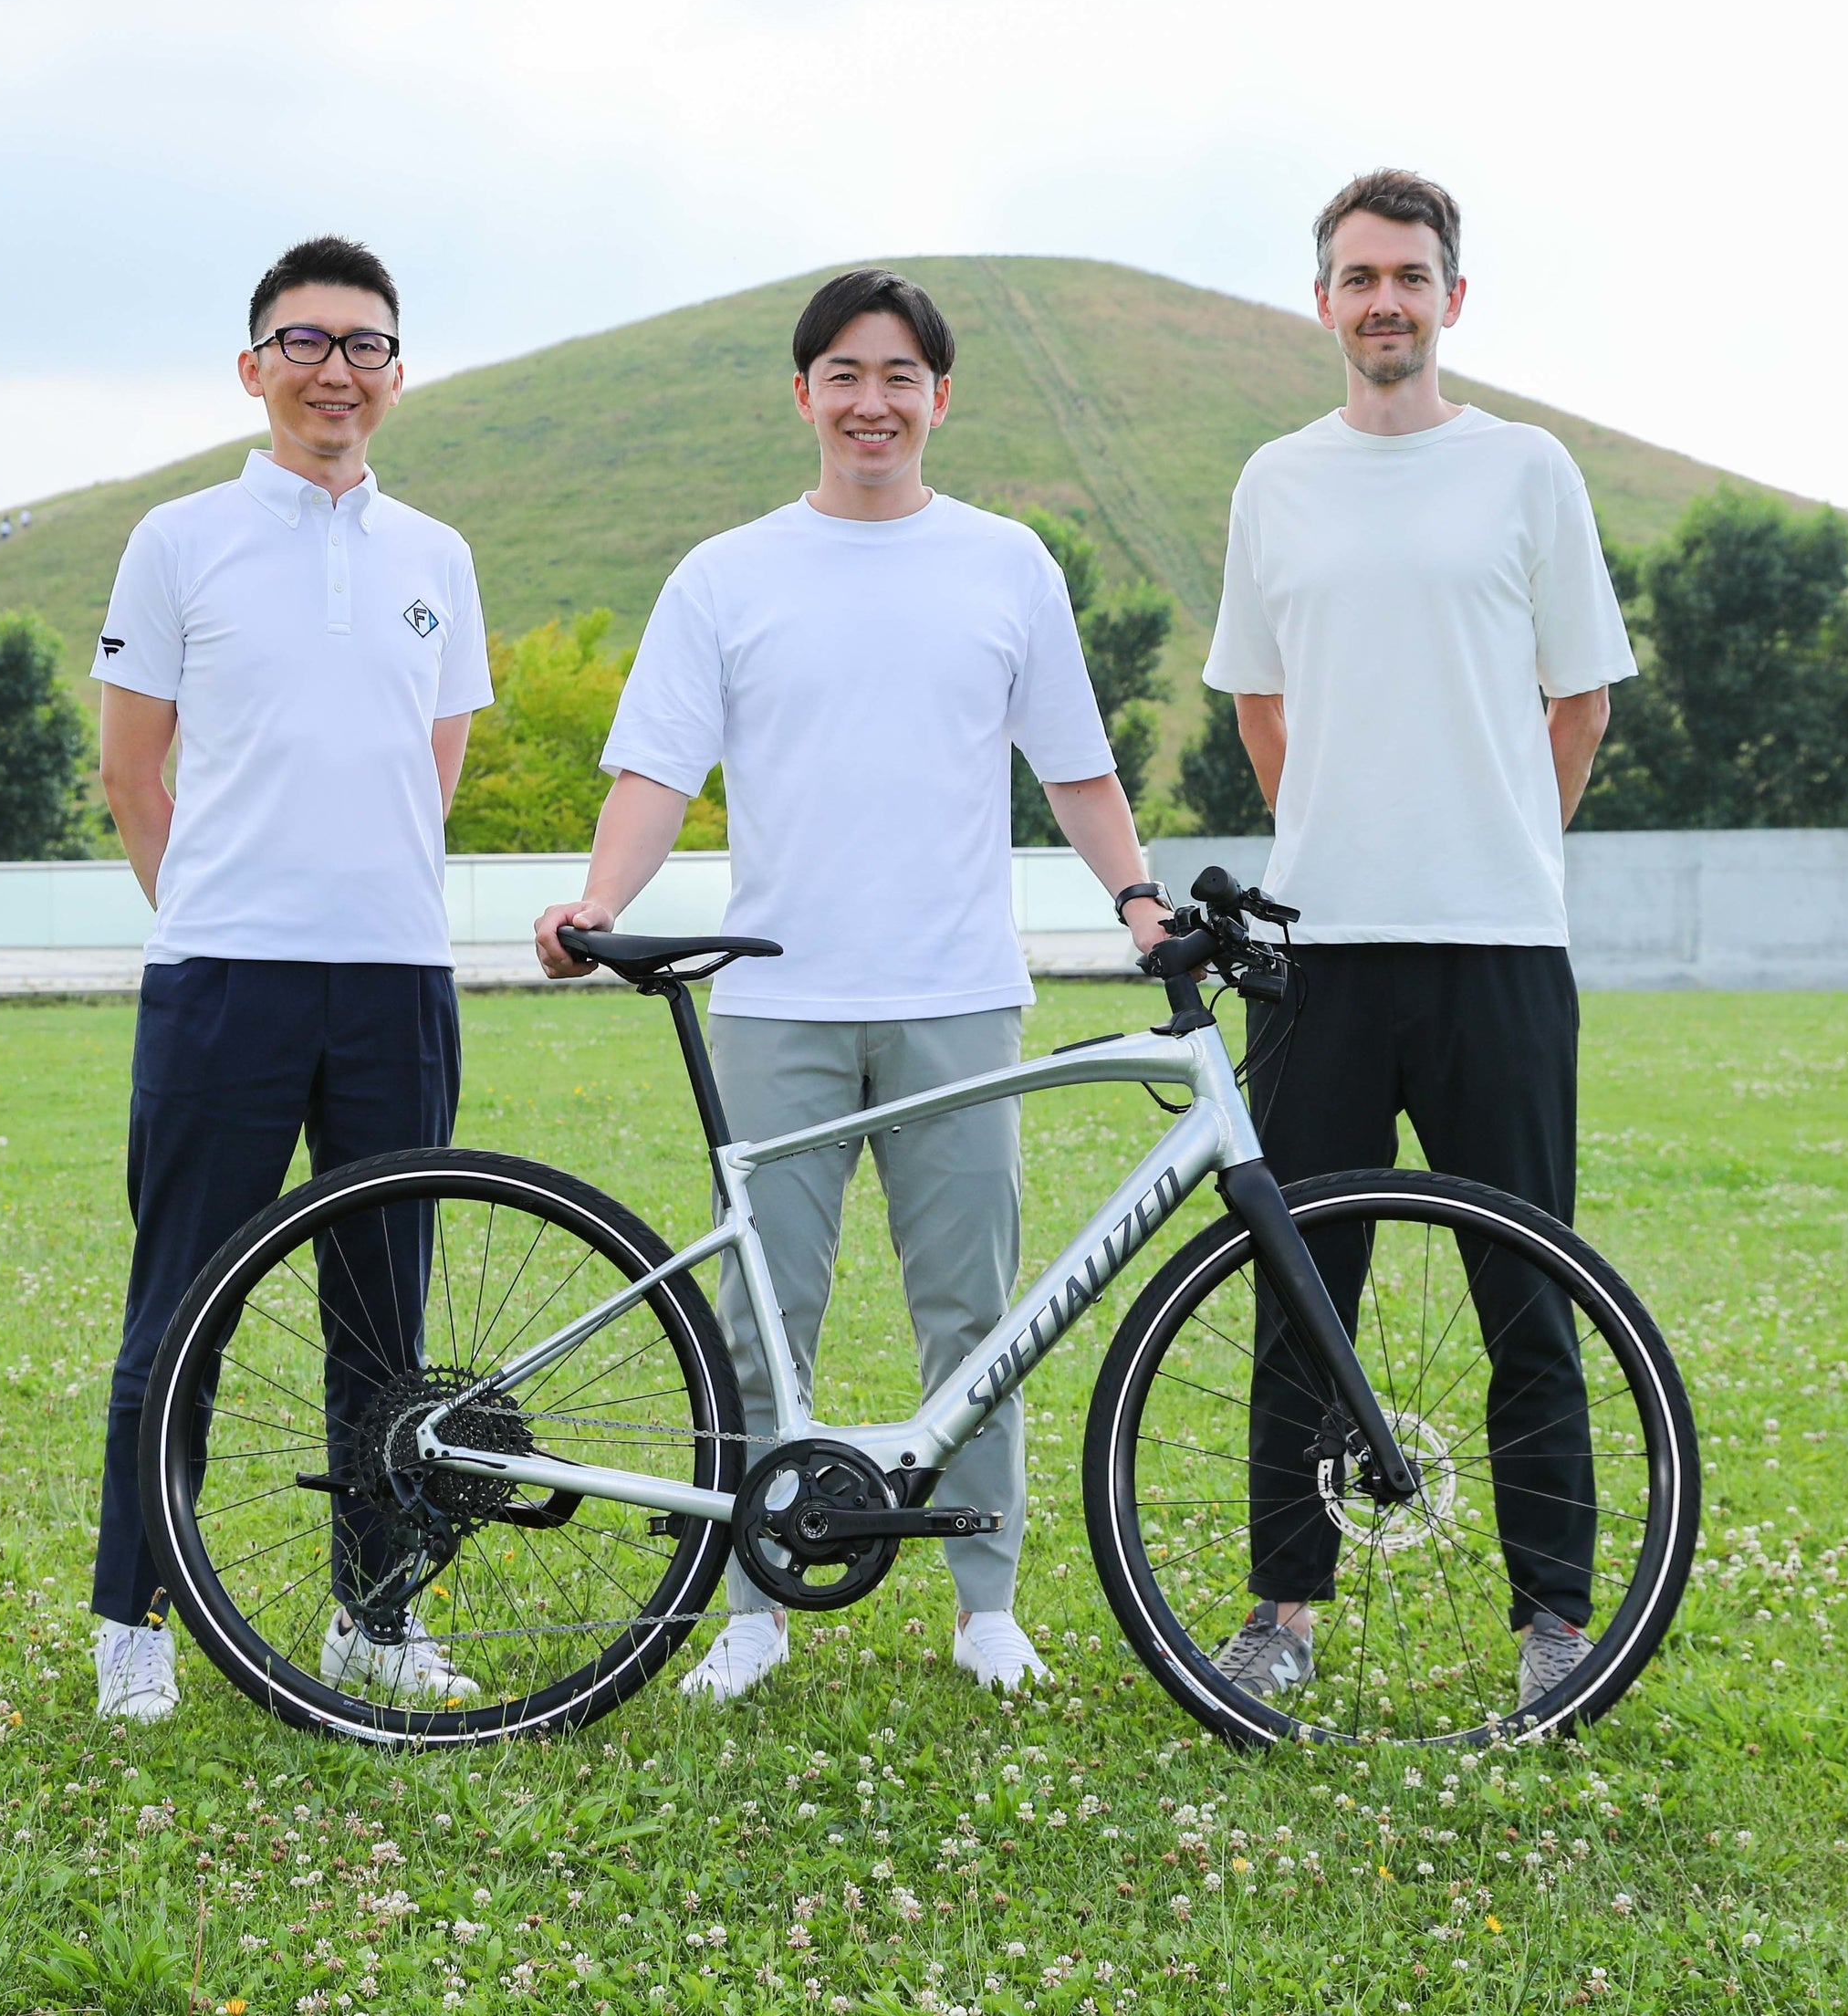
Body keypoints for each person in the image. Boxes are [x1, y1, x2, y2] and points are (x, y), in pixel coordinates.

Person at [531, 267, 1170, 1702]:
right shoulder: (727, 573)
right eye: (843, 375)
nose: (870, 403)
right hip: (778, 1004)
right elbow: (656, 771)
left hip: (959, 998)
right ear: (802, 394)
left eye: (898, 378)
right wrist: (599, 903)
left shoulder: (1007, 564)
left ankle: (986, 1604)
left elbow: (1076, 768)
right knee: (763, 1321)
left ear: (939, 398)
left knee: (978, 1320)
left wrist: (1137, 900)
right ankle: (755, 1612)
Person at [1197, 167, 1634, 1708]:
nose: (1385, 300)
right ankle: (1282, 1617)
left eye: (1411, 275)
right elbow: (1260, 704)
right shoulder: (1275, 481)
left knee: (1530, 1296)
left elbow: (1580, 703)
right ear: (1322, 299)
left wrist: (1496, 841)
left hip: (1496, 948)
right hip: (1316, 957)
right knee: (1302, 1294)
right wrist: (1344, 839)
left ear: (1454, 296)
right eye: (1360, 275)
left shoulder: (1528, 470)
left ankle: (1555, 1625)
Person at [86, 235, 493, 1722]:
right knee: (179, 1311)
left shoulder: (436, 555)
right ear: (254, 367)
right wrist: (217, 908)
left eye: (364, 345)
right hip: (224, 984)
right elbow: (132, 772)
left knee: (385, 1326)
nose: (336, 370)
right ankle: (135, 1618)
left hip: (396, 982)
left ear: (398, 372)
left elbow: (430, 772)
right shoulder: (178, 539)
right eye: (306, 343)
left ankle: (375, 1619)